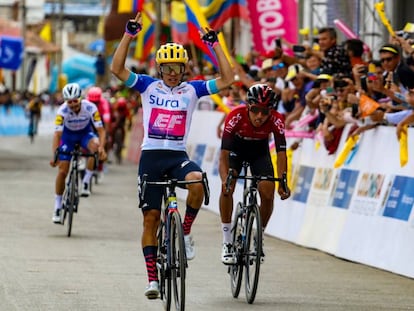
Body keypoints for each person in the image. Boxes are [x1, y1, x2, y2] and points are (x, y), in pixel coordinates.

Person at [110, 12, 234, 299]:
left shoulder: (193, 89)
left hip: (177, 155)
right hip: (151, 157)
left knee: (196, 181)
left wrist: (215, 44)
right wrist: (129, 35)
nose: (172, 72)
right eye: (167, 67)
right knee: (150, 219)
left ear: (183, 67)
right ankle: (152, 279)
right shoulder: (146, 86)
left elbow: (228, 79)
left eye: (177, 67)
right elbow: (117, 69)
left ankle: (186, 231)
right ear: (159, 68)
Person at [218, 84, 291, 265]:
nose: (260, 116)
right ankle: (227, 242)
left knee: (268, 191)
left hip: (259, 152)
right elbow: (223, 156)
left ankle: (259, 234)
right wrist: (224, 179)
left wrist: (283, 181)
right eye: (255, 110)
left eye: (265, 112)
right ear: (248, 106)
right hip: (236, 150)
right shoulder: (235, 116)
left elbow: (281, 154)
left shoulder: (277, 119)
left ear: (271, 111)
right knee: (228, 187)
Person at [49, 83, 106, 223]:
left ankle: (86, 181)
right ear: (65, 101)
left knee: (95, 147)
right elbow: (57, 135)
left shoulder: (91, 107)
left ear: (81, 99)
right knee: (62, 171)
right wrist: (55, 154)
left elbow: (101, 131)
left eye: (75, 101)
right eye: (70, 102)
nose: (73, 105)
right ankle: (57, 206)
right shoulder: (62, 111)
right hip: (68, 138)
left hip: (85, 135)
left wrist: (102, 148)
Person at [87, 86, 112, 179]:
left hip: (100, 123)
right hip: (90, 123)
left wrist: (106, 134)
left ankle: (100, 166)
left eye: (96, 102)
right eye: (92, 102)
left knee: (103, 141)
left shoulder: (104, 103)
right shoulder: (86, 102)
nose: (94, 104)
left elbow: (107, 121)